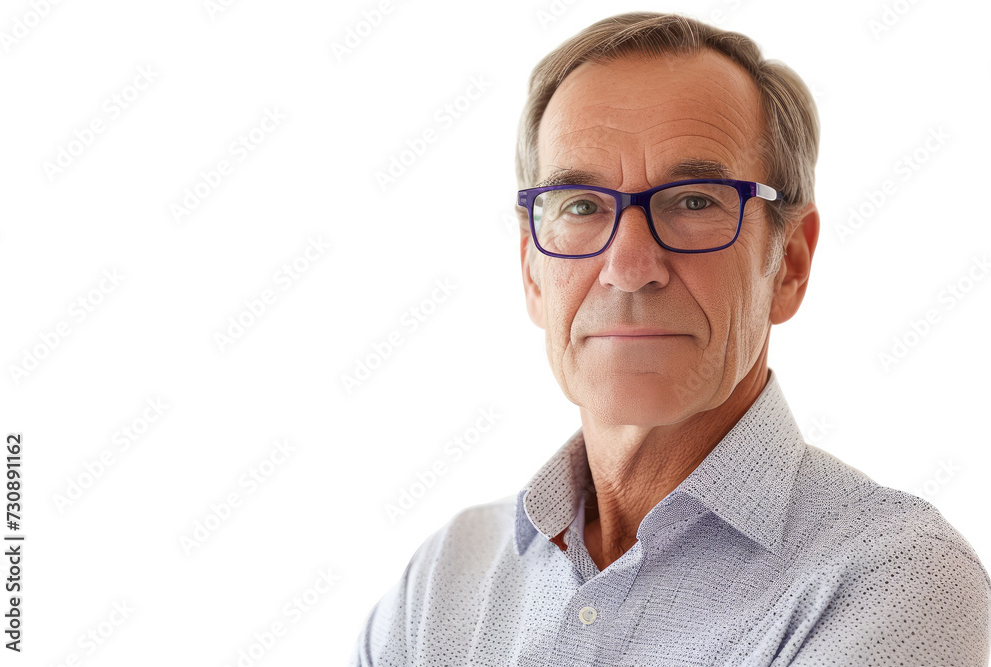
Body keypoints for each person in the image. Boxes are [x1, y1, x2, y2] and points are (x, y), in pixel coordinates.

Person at [349, 11, 991, 666]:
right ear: (532, 273)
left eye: (693, 201)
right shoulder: (442, 582)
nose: (628, 267)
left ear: (790, 263)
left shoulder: (891, 582)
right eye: (580, 206)